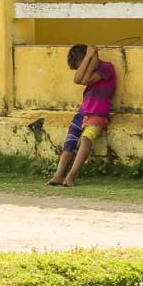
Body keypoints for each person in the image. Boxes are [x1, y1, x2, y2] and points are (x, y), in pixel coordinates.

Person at [48, 44, 117, 187]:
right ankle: (58, 175)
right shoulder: (89, 68)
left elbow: (85, 80)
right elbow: (77, 79)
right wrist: (89, 58)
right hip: (83, 113)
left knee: (86, 140)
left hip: (98, 114)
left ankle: (71, 177)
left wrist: (90, 57)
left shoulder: (106, 67)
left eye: (81, 65)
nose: (82, 68)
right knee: (70, 143)